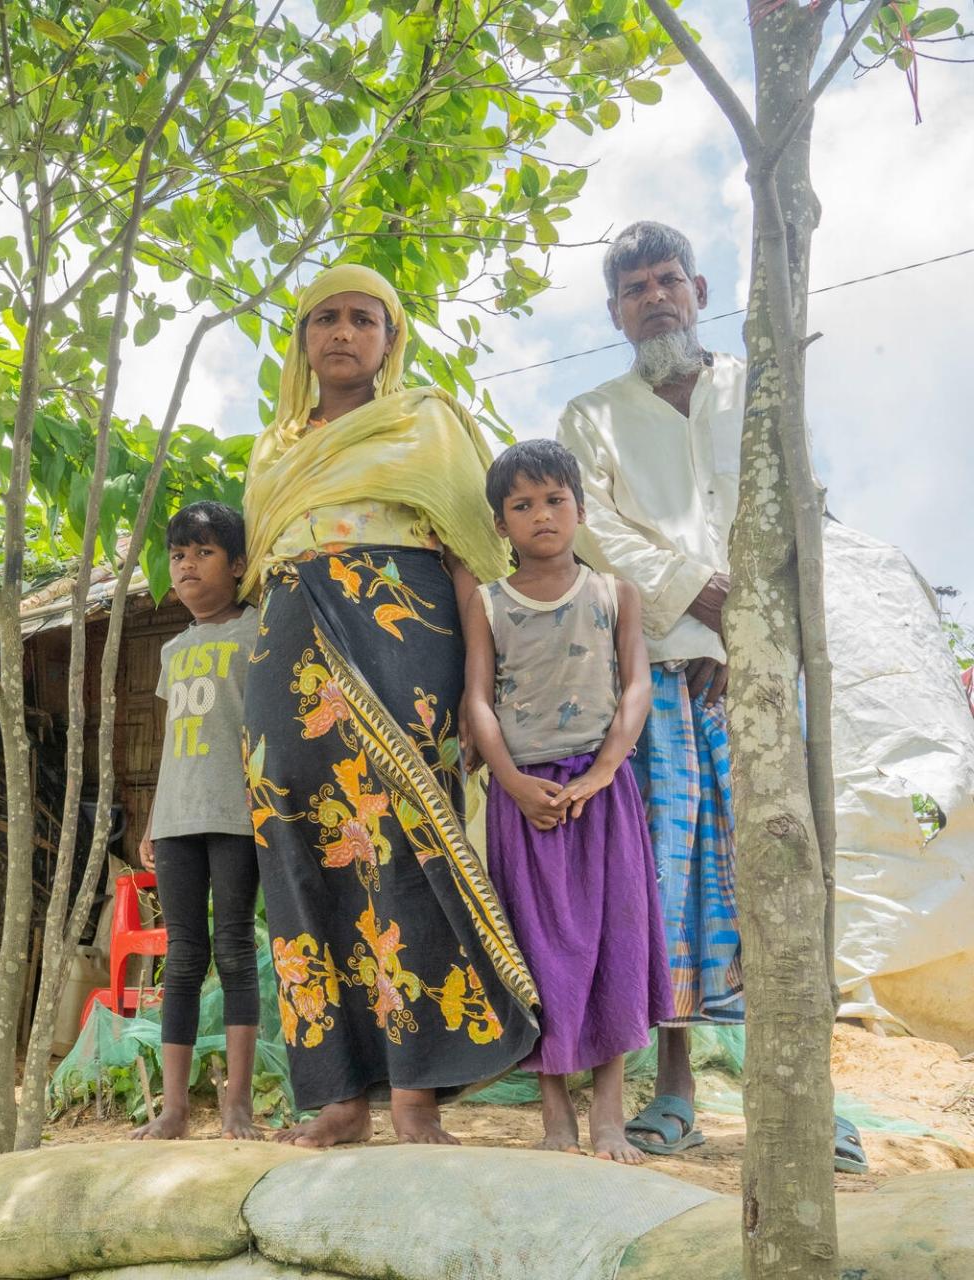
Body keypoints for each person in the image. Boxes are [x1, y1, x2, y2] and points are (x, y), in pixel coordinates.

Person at [558, 220, 865, 1171]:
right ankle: (675, 1093)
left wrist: (760, 627)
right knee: (666, 882)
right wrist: (705, 599)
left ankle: (816, 1100)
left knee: (783, 872)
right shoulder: (590, 416)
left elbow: (796, 505)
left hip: (763, 675)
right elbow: (596, 533)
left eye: (666, 280)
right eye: (634, 287)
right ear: (614, 311)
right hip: (651, 672)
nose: (654, 297)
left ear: (697, 289)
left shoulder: (758, 390)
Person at [240, 262, 540, 1148]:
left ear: (390, 336)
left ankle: (415, 1095)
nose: (342, 332)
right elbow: (259, 564)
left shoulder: (429, 423)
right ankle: (337, 1098)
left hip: (404, 637)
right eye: (323, 318)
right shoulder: (271, 447)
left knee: (405, 847)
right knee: (297, 856)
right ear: (300, 339)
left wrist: (479, 697)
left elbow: (473, 563)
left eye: (362, 319)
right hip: (285, 645)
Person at [461, 438, 671, 1162]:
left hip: (602, 795)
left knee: (615, 941)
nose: (541, 515)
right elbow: (478, 702)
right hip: (525, 800)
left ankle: (609, 1115)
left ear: (580, 509)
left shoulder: (616, 593)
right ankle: (555, 1118)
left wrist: (605, 770)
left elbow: (636, 685)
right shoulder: (488, 603)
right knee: (535, 948)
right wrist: (511, 782)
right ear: (501, 524)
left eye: (555, 500)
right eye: (521, 505)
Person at [133, 501, 262, 1141]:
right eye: (179, 555)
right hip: (179, 818)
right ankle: (176, 1108)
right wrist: (154, 818)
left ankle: (238, 1104)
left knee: (236, 951)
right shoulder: (173, 649)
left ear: (237, 566)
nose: (187, 565)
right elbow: (170, 742)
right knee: (182, 959)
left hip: (238, 816)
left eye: (203, 552)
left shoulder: (258, 632)